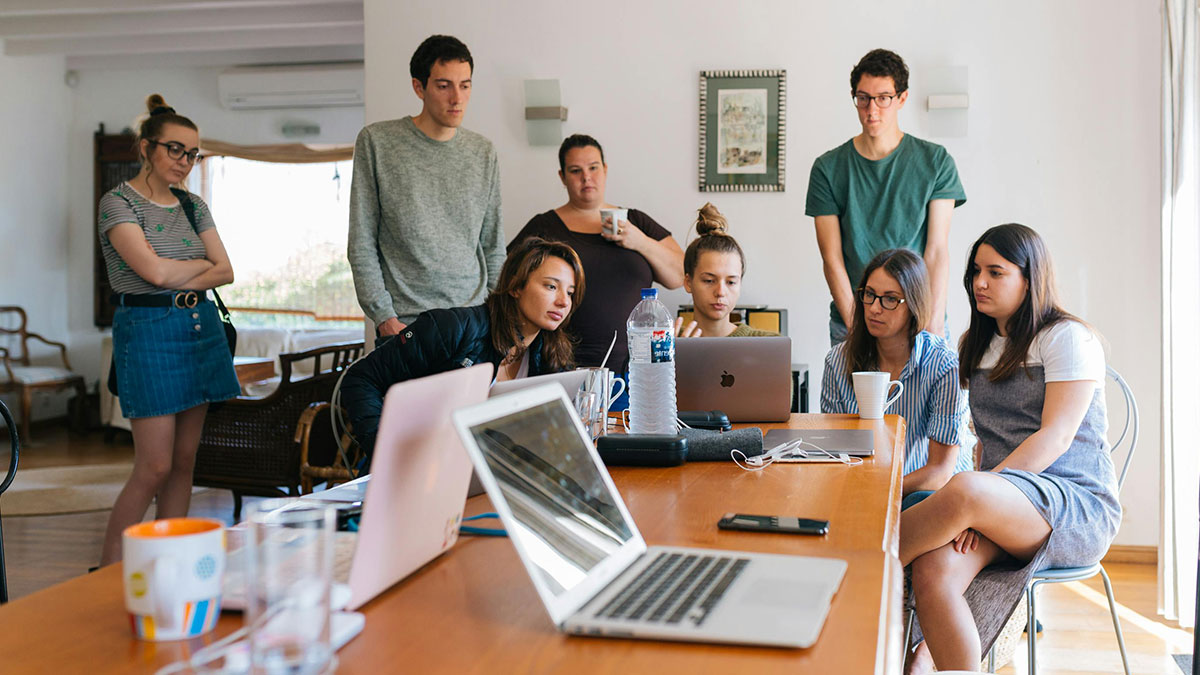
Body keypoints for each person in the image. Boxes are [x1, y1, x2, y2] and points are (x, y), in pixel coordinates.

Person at [901, 224, 1120, 673]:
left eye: (995, 272)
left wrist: (979, 498)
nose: (979, 282)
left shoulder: (1066, 338)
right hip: (999, 504)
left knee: (961, 489)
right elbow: (987, 442)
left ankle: (853, 570)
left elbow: (1054, 438)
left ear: (1029, 277)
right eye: (975, 272)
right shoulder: (976, 345)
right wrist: (980, 502)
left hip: (1072, 505)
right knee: (933, 572)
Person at [98, 95, 239, 564]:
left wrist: (182, 268)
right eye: (174, 149)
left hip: (198, 328)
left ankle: (171, 563)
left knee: (184, 464)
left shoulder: (193, 205)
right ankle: (108, 573)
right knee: (154, 466)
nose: (185, 162)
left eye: (193, 153)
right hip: (148, 332)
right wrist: (197, 263)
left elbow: (226, 271)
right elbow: (153, 275)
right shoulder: (117, 203)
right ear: (146, 148)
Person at [339, 237, 585, 464]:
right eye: (551, 287)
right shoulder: (451, 328)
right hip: (420, 471)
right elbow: (361, 378)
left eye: (570, 293)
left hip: (485, 475)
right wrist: (387, 451)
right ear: (515, 287)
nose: (564, 301)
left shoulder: (551, 355)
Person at [348, 34, 504, 347]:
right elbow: (361, 242)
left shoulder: (483, 152)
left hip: (473, 324)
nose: (457, 98)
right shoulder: (377, 142)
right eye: (444, 85)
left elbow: (493, 245)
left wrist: (497, 314)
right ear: (419, 87)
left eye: (465, 85)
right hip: (406, 326)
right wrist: (385, 318)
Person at [807, 48, 967, 345]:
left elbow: (936, 251)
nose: (872, 109)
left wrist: (931, 326)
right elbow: (832, 259)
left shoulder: (936, 162)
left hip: (918, 319)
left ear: (901, 98)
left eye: (883, 98)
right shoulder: (827, 169)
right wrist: (857, 329)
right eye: (863, 98)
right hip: (853, 318)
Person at [509, 134, 684, 375]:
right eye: (575, 171)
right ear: (562, 177)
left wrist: (640, 241)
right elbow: (508, 282)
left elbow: (679, 276)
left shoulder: (636, 221)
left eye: (593, 168)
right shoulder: (544, 226)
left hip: (637, 370)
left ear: (605, 169)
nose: (586, 177)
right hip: (559, 366)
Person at [819, 249, 972, 508]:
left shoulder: (943, 365)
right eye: (869, 295)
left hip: (929, 495)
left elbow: (939, 472)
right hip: (862, 490)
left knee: (917, 501)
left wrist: (878, 489)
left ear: (913, 305)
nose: (875, 308)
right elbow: (835, 454)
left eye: (890, 299)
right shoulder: (837, 361)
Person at [672, 202, 777, 338]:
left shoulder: (769, 344)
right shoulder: (665, 344)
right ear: (688, 282)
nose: (720, 292)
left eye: (731, 282)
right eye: (709, 280)